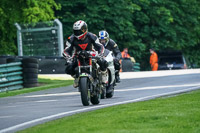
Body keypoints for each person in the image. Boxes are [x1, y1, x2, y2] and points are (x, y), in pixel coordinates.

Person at [63, 20, 108, 87]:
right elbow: (66, 50)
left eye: (80, 30)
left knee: (103, 61)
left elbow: (100, 46)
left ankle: (104, 74)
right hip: (78, 55)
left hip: (91, 54)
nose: (78, 33)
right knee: (69, 67)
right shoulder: (71, 39)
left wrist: (100, 54)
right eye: (76, 31)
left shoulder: (92, 36)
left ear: (85, 29)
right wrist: (68, 58)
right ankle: (76, 77)